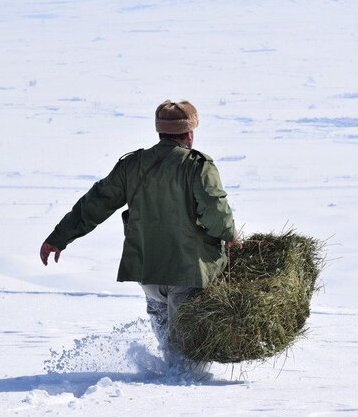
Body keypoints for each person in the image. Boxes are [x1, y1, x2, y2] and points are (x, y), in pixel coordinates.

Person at [39, 99, 236, 371]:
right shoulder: (197, 165)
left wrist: (58, 238)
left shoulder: (132, 165)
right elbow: (216, 214)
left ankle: (165, 381)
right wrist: (230, 236)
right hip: (188, 273)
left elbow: (95, 203)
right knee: (189, 361)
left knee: (170, 346)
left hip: (149, 273)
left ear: (160, 131)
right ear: (189, 133)